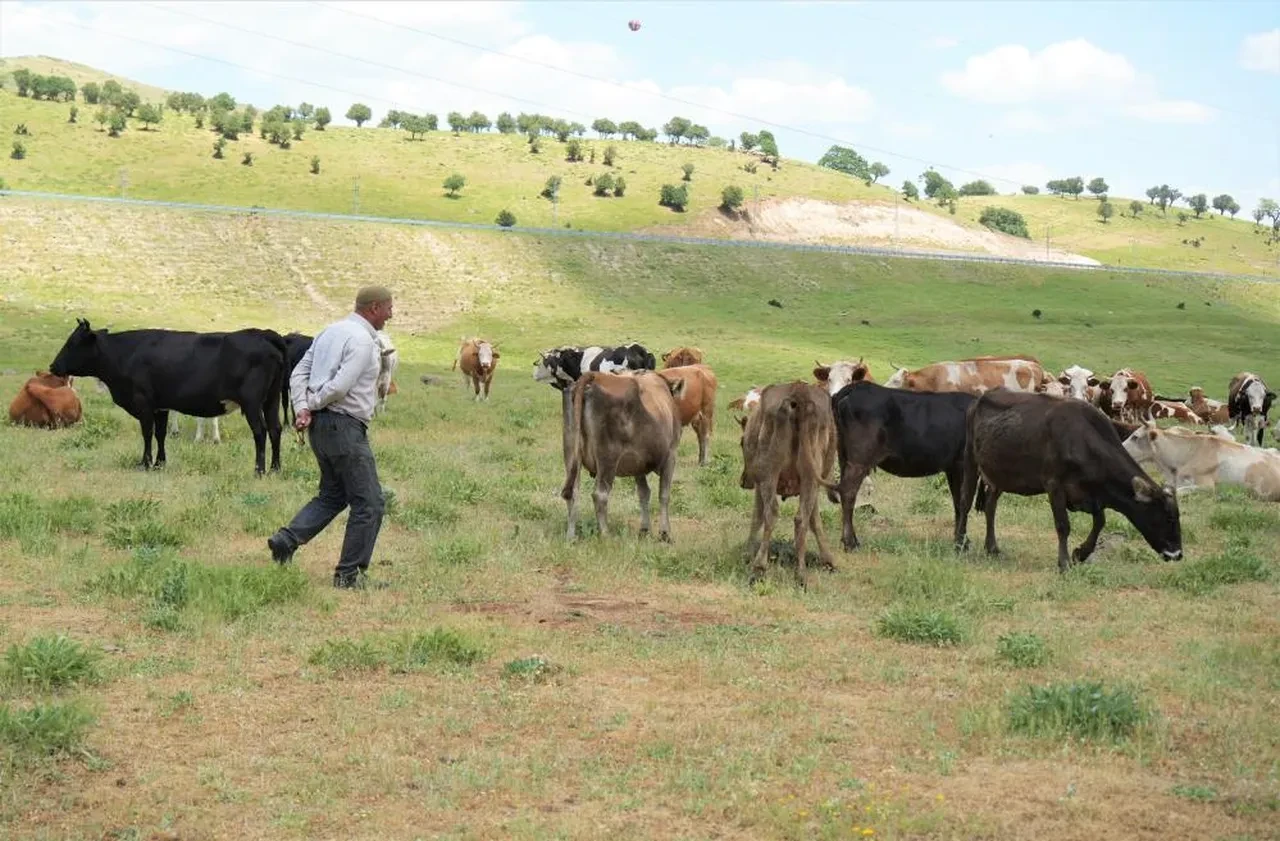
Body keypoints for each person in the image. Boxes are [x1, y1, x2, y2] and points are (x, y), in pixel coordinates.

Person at [267, 286, 394, 588]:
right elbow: (339, 387)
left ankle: (286, 540)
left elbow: (298, 374)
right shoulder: (362, 341)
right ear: (374, 308)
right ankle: (349, 576)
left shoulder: (329, 331)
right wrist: (309, 405)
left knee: (333, 494)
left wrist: (302, 408)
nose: (392, 314)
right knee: (370, 502)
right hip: (344, 426)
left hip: (321, 428)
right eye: (389, 308)